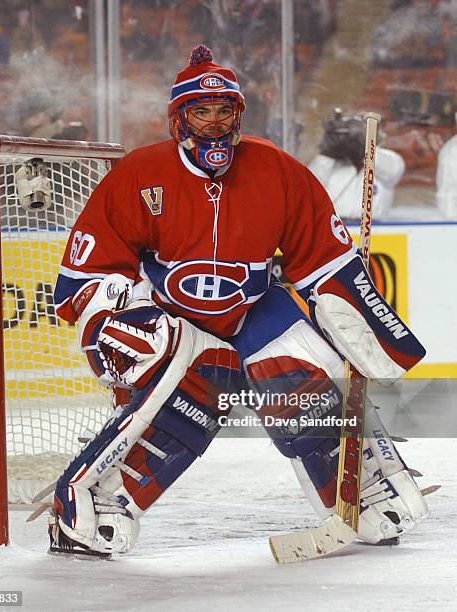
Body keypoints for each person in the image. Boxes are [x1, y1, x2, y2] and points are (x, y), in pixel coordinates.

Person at [50, 45, 427, 557]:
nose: (213, 123)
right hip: (177, 317)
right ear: (178, 118)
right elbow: (89, 268)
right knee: (181, 378)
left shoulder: (274, 167)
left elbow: (325, 259)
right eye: (200, 112)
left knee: (296, 366)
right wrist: (109, 315)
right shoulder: (141, 173)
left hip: (253, 308)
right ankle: (98, 503)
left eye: (223, 110)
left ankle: (363, 488)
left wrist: (363, 317)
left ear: (238, 115)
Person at [308, 108, 405, 220]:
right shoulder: (331, 163)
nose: (353, 134)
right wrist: (327, 153)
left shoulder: (390, 158)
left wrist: (364, 148)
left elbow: (391, 171)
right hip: (336, 229)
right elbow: (309, 187)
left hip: (375, 231)